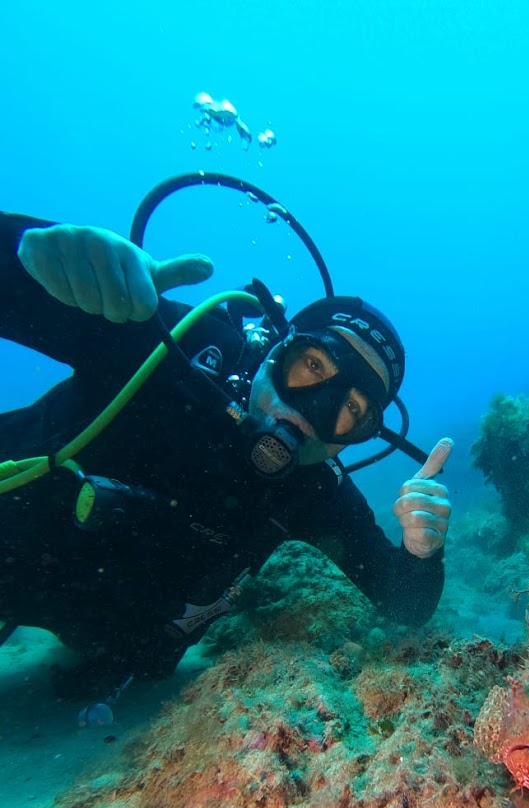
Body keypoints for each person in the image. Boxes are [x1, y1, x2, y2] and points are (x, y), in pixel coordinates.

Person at [0, 211, 452, 701]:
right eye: (313, 366)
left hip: (101, 646)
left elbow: (404, 600)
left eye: (351, 409)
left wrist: (423, 549)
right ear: (277, 350)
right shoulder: (172, 346)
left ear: (355, 437)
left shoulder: (312, 490)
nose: (311, 412)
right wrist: (47, 257)